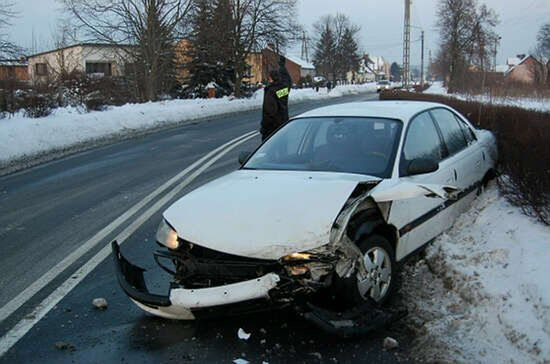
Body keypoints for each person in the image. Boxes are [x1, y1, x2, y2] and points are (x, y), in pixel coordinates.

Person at [260, 55, 291, 141]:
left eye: (269, 78)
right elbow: (288, 82)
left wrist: (264, 127)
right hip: (282, 125)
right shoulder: (283, 90)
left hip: (271, 129)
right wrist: (283, 67)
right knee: (282, 148)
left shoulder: (271, 92)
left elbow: (269, 112)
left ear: (271, 78)